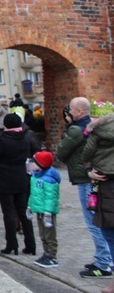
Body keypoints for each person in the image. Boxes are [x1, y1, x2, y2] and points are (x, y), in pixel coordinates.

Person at [57, 97, 113, 278]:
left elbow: (64, 152)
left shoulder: (82, 130)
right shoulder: (95, 128)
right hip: (100, 178)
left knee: (95, 221)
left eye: (71, 110)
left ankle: (104, 262)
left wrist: (88, 170)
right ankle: (103, 259)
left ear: (79, 111)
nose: (69, 113)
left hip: (88, 179)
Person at [0, 112, 36, 256]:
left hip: (5, 180)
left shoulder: (4, 141)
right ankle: (31, 244)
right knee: (23, 212)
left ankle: (12, 244)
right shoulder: (24, 139)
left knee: (9, 213)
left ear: (5, 125)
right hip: (21, 179)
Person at [82, 113, 114, 280]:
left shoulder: (97, 130)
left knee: (108, 231)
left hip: (105, 179)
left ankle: (105, 263)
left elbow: (86, 154)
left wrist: (89, 170)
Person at [26, 150, 61, 269]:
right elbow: (33, 194)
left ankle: (52, 256)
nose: (32, 165)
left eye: (34, 162)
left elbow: (51, 198)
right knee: (43, 234)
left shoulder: (49, 179)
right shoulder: (35, 177)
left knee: (50, 234)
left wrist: (48, 212)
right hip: (39, 210)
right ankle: (46, 254)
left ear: (41, 165)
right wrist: (30, 206)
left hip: (47, 213)